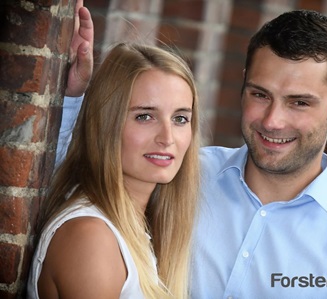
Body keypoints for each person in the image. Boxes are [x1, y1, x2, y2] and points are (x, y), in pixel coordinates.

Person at [58, 8, 327, 299]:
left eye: (299, 102)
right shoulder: (181, 172)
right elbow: (75, 192)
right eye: (260, 95)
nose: (273, 120)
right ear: (242, 87)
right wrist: (71, 98)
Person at [27, 4, 200, 299]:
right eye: (144, 116)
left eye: (180, 118)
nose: (167, 137)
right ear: (107, 123)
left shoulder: (135, 230)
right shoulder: (91, 237)